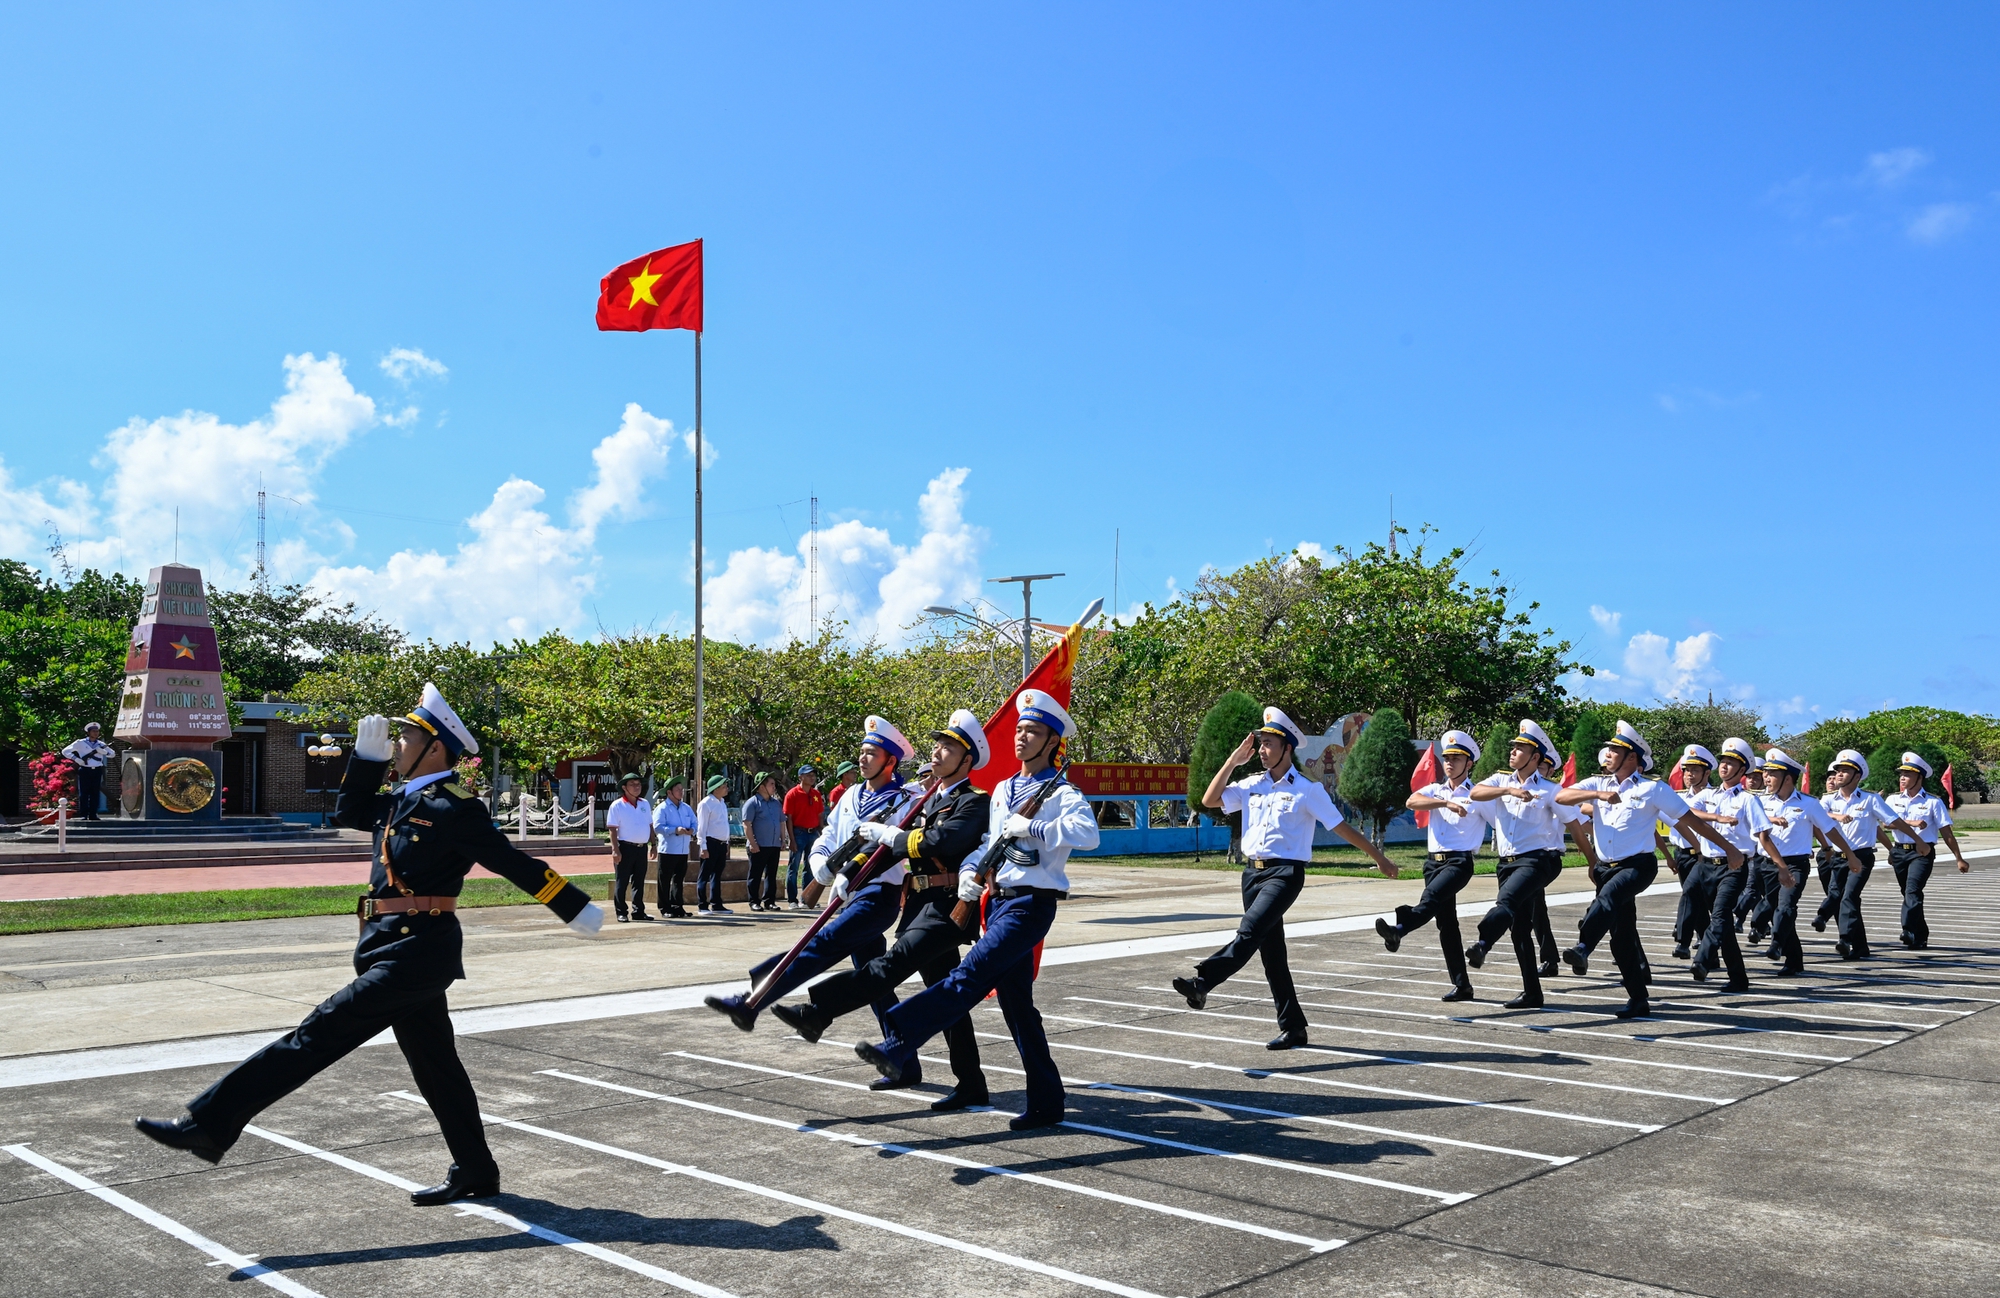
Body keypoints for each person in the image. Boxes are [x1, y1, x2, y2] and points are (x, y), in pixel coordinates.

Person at [134, 683, 603, 1204]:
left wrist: (572, 905)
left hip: (417, 955)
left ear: (436, 748)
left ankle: (209, 1122)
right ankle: (475, 1170)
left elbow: (513, 862)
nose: (398, 744)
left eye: (406, 738)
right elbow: (348, 814)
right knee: (436, 1067)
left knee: (317, 1033)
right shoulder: (401, 801)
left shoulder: (455, 809)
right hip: (389, 949)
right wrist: (363, 760)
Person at [855, 689, 1098, 1131]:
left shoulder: (1061, 792)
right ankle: (1047, 1101)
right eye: (1021, 729)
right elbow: (990, 842)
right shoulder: (1006, 788)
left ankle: (898, 1040)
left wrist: (1035, 826)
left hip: (1031, 905)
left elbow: (1088, 834)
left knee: (967, 977)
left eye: (1034, 732)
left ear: (1051, 743)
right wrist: (971, 871)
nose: (1022, 737)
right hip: (998, 902)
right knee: (1017, 1008)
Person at [773, 709, 995, 1109]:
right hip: (920, 904)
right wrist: (847, 872)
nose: (938, 752)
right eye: (937, 744)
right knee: (946, 995)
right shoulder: (928, 800)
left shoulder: (975, 802)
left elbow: (939, 842)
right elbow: (889, 848)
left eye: (949, 747)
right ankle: (971, 1082)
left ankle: (820, 1012)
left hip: (946, 908)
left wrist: (893, 835)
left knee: (887, 967)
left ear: (967, 760)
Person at [1172, 706, 1398, 1046]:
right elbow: (1209, 799)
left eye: (1268, 744)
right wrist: (1233, 761)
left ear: (1287, 748)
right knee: (1271, 954)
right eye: (1260, 743)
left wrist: (1378, 857)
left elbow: (1341, 827)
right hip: (1252, 875)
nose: (1262, 750)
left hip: (1285, 874)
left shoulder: (1308, 790)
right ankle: (1294, 1027)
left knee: (1249, 931)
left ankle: (1203, 982)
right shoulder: (1250, 785)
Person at [704, 717, 923, 1042]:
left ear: (890, 761)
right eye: (862, 751)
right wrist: (820, 860)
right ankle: (900, 1052)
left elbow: (908, 847)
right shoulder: (850, 796)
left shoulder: (908, 799)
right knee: (873, 981)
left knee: (818, 944)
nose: (863, 758)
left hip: (879, 895)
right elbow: (828, 836)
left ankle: (753, 1001)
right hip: (848, 896)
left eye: (871, 753)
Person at [1557, 720, 1742, 1017]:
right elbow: (1561, 796)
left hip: (1637, 866)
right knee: (1622, 936)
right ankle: (1638, 999)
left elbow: (1689, 820)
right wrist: (1597, 796)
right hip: (1606, 867)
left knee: (1606, 900)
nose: (1608, 754)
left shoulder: (1653, 789)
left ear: (1631, 757)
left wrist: (1729, 848)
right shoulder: (1598, 784)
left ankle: (1583, 947)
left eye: (1615, 750)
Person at [1465, 720, 1596, 1008]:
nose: (1513, 752)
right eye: (1513, 747)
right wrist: (1507, 791)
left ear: (1535, 757)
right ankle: (1532, 993)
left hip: (1540, 860)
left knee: (1507, 901)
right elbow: (1474, 793)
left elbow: (1573, 825)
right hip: (1507, 863)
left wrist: (1592, 863)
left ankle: (1483, 943)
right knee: (1520, 927)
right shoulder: (1500, 781)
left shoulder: (1550, 789)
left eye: (1520, 748)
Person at [1381, 730, 1494, 1002]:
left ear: (1469, 763)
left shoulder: (1477, 794)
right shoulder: (1436, 791)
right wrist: (1447, 803)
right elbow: (1412, 801)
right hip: (1433, 863)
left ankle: (1400, 929)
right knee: (1446, 924)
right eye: (1447, 758)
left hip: (1459, 862)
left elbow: (1498, 821)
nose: (1450, 763)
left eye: (1456, 758)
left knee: (1430, 898)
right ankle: (1462, 985)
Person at [1753, 749, 1860, 975]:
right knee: (1776, 911)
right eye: (1766, 773)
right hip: (1767, 864)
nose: (1765, 778)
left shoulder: (1809, 804)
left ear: (1788, 778)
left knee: (1786, 906)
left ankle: (1776, 944)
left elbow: (1830, 829)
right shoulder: (1759, 801)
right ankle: (1794, 960)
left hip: (1795, 865)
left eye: (1771, 774)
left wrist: (1850, 854)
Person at [1816, 750, 1920, 961]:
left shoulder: (1870, 799)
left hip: (1862, 857)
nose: (1839, 774)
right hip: (1838, 857)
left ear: (1857, 776)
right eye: (1838, 770)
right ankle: (1860, 946)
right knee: (1839, 895)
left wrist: (1916, 840)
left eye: (1845, 771)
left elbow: (1894, 820)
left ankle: (1844, 938)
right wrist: (1836, 815)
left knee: (1849, 897)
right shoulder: (1828, 800)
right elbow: (1815, 815)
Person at [1684, 737, 1770, 990]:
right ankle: (1738, 978)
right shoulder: (1708, 795)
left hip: (1734, 866)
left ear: (1743, 771)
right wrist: (1716, 816)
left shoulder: (1748, 800)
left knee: (1721, 915)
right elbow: (1686, 812)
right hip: (1707, 864)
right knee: (1721, 924)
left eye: (1731, 763)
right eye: (1723, 761)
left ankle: (1703, 959)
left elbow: (1762, 833)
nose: (1724, 766)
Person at [1885, 751, 1971, 949]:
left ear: (1919, 777)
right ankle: (1920, 934)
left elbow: (1946, 832)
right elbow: (1886, 824)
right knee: (1908, 894)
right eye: (1901, 774)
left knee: (1912, 891)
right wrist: (1910, 822)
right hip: (1899, 852)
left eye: (1907, 774)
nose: (1902, 778)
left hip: (1922, 853)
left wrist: (1959, 858)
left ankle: (1907, 930)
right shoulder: (1892, 799)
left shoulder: (1933, 802)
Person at [603, 774, 655, 922]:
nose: (637, 787)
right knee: (622, 881)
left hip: (641, 848)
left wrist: (654, 844)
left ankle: (638, 911)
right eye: (633, 784)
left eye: (638, 784)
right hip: (625, 847)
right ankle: (621, 912)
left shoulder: (644, 804)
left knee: (639, 881)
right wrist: (615, 850)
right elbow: (612, 830)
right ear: (624, 788)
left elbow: (650, 825)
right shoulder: (617, 805)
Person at [650, 776, 696, 918]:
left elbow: (695, 822)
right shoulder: (662, 808)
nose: (681, 792)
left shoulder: (686, 808)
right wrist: (675, 830)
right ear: (669, 793)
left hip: (683, 850)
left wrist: (691, 830)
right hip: (668, 849)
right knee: (664, 880)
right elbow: (657, 827)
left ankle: (677, 906)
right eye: (678, 790)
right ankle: (665, 907)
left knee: (678, 880)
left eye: (682, 790)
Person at [782, 765, 826, 910]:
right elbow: (789, 818)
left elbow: (820, 814)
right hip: (798, 832)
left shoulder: (816, 794)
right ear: (800, 777)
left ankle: (806, 899)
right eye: (808, 775)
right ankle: (792, 899)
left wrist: (822, 831)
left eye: (813, 775)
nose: (812, 777)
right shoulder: (792, 794)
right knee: (794, 867)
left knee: (810, 866)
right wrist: (791, 839)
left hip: (813, 833)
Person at [742, 772, 785, 911]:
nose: (774, 787)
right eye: (771, 784)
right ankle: (754, 901)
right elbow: (747, 825)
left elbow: (781, 822)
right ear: (761, 787)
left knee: (771, 875)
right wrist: (753, 843)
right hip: (758, 846)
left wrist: (783, 840)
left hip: (773, 844)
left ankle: (769, 901)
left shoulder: (776, 803)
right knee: (755, 874)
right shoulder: (752, 803)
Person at [61, 721, 115, 821]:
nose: (96, 733)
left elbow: (112, 754)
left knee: (95, 793)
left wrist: (104, 752)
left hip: (97, 770)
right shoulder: (80, 743)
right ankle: (84, 814)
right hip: (85, 770)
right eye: (93, 731)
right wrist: (76, 759)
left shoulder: (101, 744)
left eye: (97, 731)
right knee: (84, 793)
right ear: (89, 732)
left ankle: (93, 814)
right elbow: (65, 751)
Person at [695, 775, 733, 914]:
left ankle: (716, 904)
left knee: (717, 875)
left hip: (722, 844)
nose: (726, 789)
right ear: (715, 789)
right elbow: (702, 827)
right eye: (723, 786)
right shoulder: (705, 804)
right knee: (704, 875)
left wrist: (727, 842)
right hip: (710, 843)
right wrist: (703, 847)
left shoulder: (722, 802)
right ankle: (702, 905)